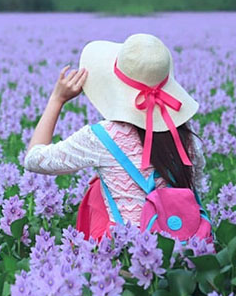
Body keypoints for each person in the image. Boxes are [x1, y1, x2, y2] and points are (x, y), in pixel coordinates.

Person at [23, 33, 206, 241]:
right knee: (98, 185)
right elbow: (196, 190)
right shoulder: (187, 138)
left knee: (96, 189)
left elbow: (33, 160)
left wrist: (57, 99)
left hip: (125, 255)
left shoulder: (102, 137)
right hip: (184, 248)